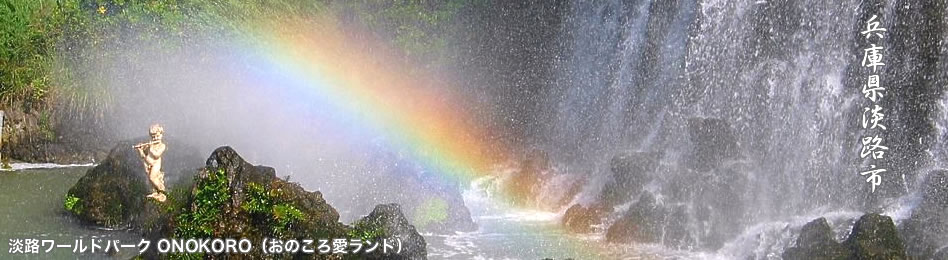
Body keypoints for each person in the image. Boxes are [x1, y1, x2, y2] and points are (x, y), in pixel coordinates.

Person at [135, 124, 167, 202]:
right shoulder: (149, 146)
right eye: (153, 137)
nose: (155, 138)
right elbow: (143, 156)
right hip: (148, 163)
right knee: (151, 179)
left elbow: (156, 155)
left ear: (161, 135)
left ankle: (162, 192)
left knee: (152, 178)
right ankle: (156, 192)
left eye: (157, 136)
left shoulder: (162, 146)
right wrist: (140, 150)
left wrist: (151, 147)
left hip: (156, 164)